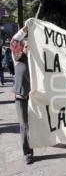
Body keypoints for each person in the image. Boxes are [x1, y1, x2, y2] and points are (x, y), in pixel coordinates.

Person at [10, 19, 34, 164]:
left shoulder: (34, 60)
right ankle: (27, 153)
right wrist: (25, 29)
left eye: (29, 45)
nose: (27, 47)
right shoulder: (18, 57)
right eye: (25, 45)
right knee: (24, 125)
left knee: (36, 124)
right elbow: (13, 42)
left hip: (35, 98)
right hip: (21, 97)